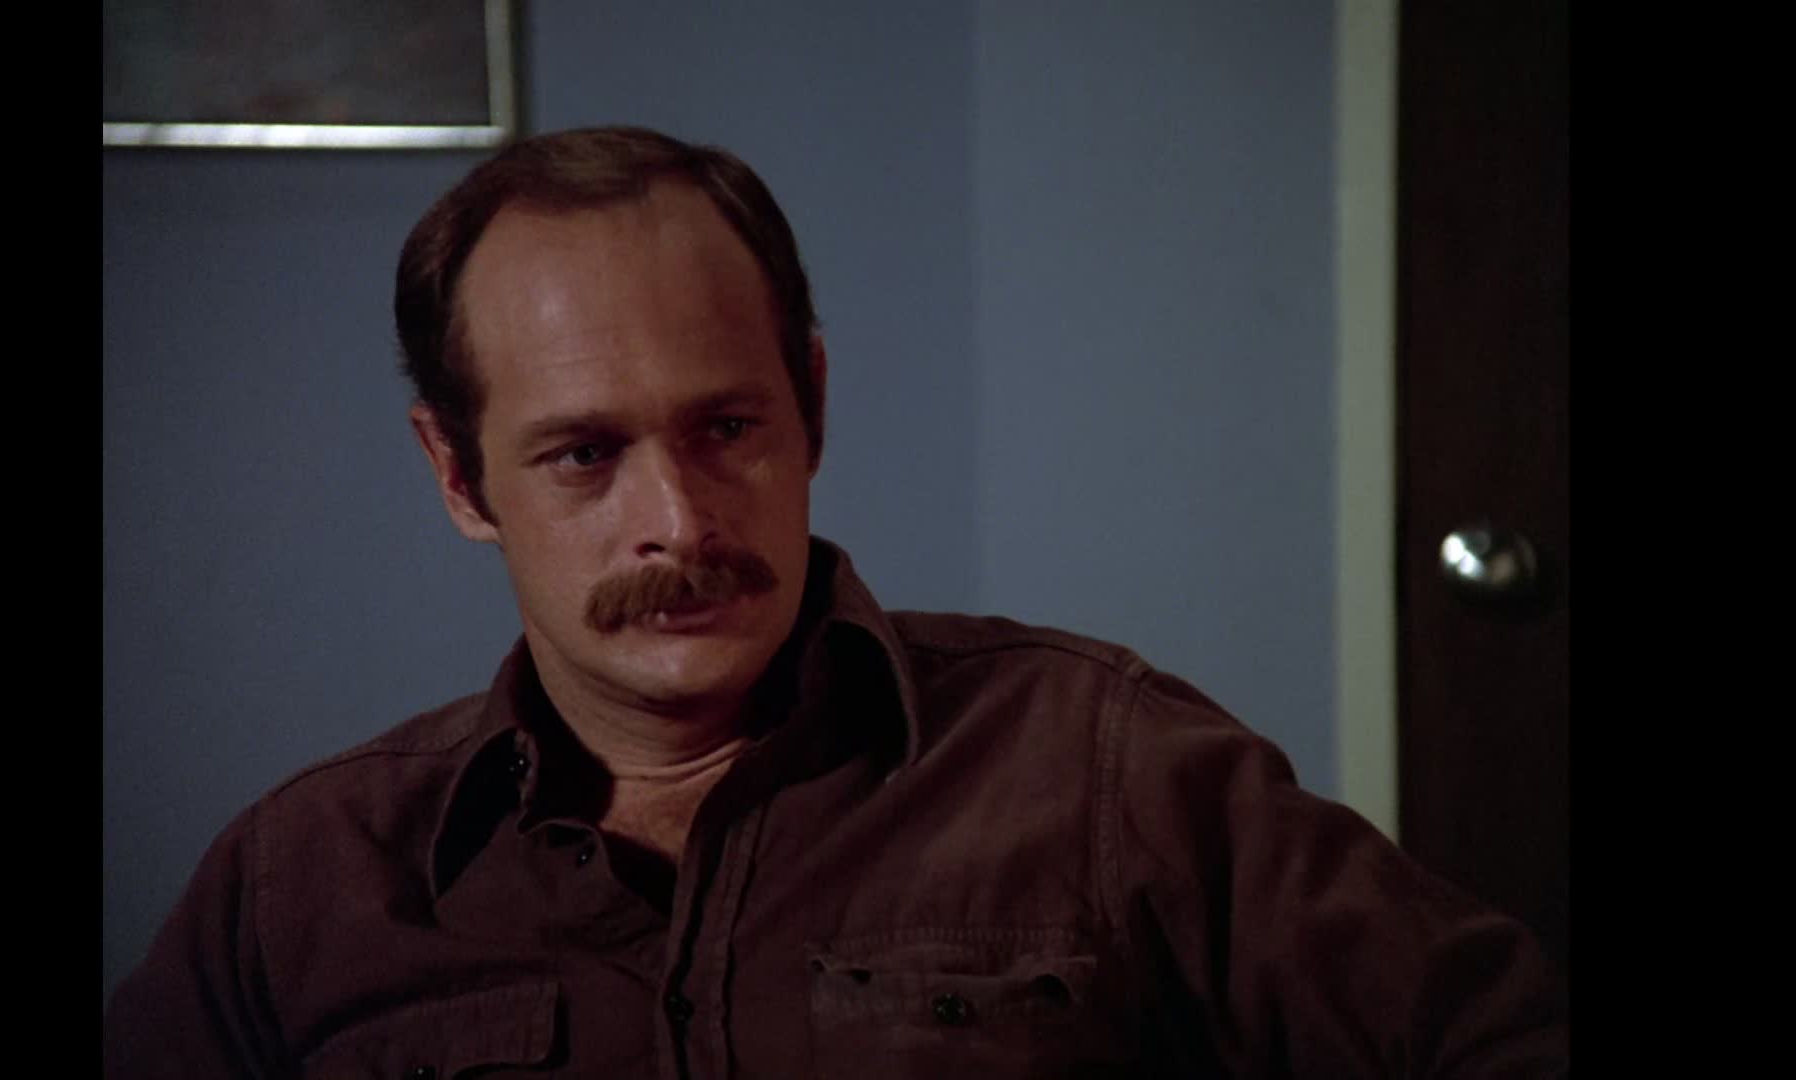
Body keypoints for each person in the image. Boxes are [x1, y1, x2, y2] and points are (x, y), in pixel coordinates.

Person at [104, 125, 1567, 1078]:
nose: (680, 523)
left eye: (729, 428)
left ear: (810, 401)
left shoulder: (1103, 766)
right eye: (585, 455)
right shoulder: (305, 883)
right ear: (459, 475)